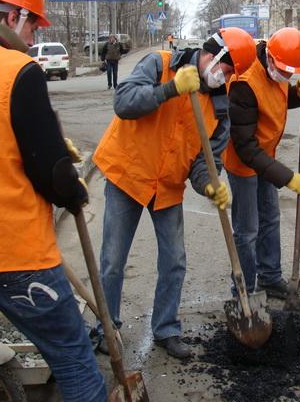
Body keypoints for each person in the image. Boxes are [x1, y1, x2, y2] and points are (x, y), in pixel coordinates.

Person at [0, 0, 105, 401]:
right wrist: (74, 192)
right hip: (14, 252)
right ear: (14, 16)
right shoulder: (19, 70)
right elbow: (50, 171)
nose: (34, 35)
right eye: (34, 23)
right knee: (73, 360)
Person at [93, 27, 256, 359]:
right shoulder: (159, 64)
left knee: (174, 261)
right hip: (129, 175)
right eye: (225, 69)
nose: (224, 77)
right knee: (112, 260)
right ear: (213, 55)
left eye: (230, 74)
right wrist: (170, 89)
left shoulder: (220, 105)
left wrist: (210, 183)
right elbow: (123, 103)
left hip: (167, 186)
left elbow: (205, 159)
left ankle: (166, 328)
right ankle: (105, 328)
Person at [224, 27, 300, 300]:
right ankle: (244, 290)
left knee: (271, 219)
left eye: (292, 74)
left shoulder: (279, 69)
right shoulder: (244, 82)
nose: (286, 77)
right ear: (269, 57)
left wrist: (299, 94)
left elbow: (278, 99)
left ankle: (270, 277)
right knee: (248, 229)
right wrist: (287, 177)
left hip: (266, 156)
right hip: (244, 161)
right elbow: (246, 147)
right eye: (284, 72)